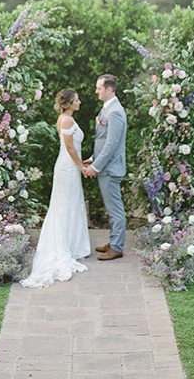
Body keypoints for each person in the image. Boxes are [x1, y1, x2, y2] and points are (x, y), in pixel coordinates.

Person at [20, 88, 90, 288]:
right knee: (65, 206)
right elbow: (69, 148)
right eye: (76, 100)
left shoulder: (64, 119)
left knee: (70, 204)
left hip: (69, 166)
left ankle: (72, 243)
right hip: (68, 168)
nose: (79, 102)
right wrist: (81, 166)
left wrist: (80, 162)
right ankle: (65, 245)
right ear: (68, 104)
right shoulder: (66, 120)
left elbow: (72, 148)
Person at [84, 74, 127, 260]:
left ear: (109, 89)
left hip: (110, 168)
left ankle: (117, 247)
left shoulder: (115, 111)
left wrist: (96, 166)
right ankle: (114, 241)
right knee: (112, 208)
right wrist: (92, 159)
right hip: (105, 166)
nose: (96, 91)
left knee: (115, 209)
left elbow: (111, 144)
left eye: (99, 88)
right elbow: (103, 141)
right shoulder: (107, 108)